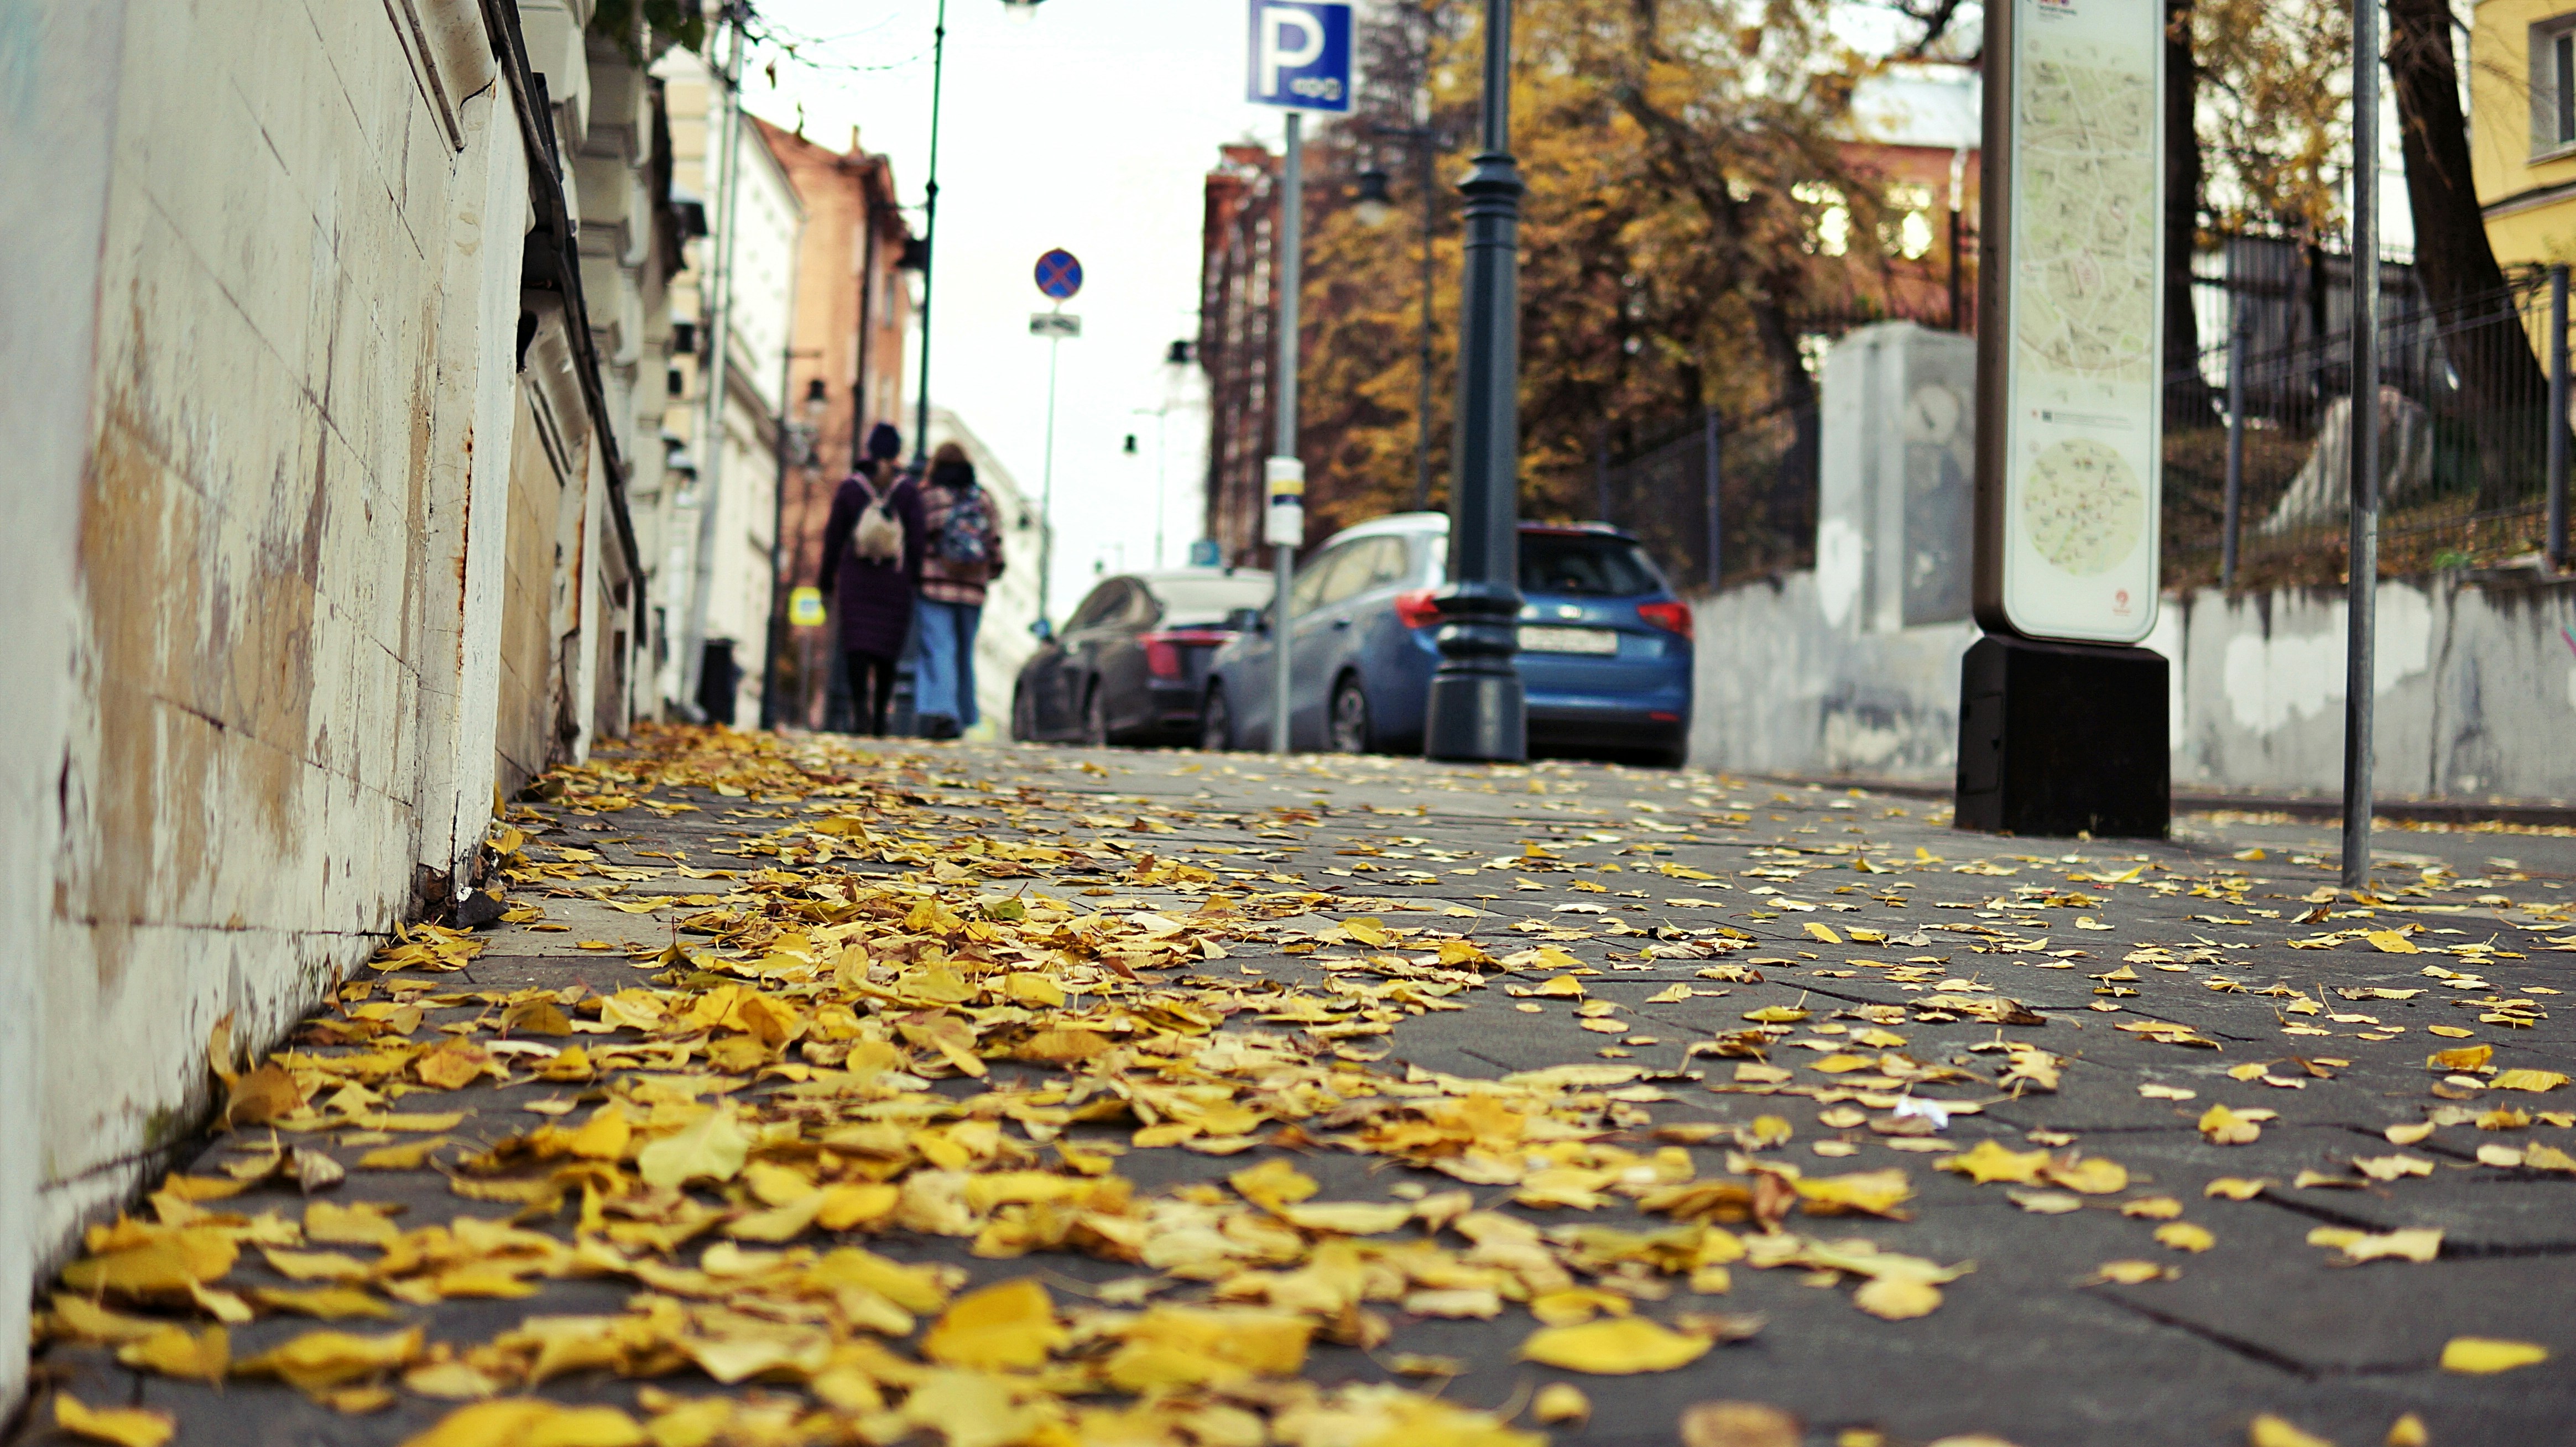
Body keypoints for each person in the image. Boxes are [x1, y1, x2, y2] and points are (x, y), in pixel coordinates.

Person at [816, 423, 924, 736]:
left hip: (857, 577)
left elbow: (834, 536)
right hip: (894, 579)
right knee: (888, 651)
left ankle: (859, 709)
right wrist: (915, 577)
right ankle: (879, 716)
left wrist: (827, 579)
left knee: (857, 648)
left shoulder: (852, 487)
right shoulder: (906, 490)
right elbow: (916, 538)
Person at [912, 440, 1004, 740]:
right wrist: (991, 571)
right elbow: (995, 543)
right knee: (965, 653)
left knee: (939, 648)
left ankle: (941, 712)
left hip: (935, 586)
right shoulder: (983, 499)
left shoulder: (929, 495)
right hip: (973, 590)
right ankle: (965, 716)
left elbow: (915, 538)